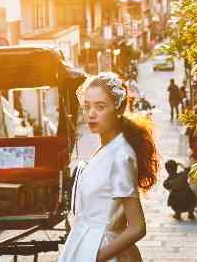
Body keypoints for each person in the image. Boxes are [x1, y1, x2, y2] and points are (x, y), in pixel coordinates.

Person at [58, 72, 159, 262]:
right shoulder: (105, 148)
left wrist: (95, 257)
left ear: (118, 108)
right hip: (83, 246)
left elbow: (137, 227)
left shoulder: (121, 155)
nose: (91, 114)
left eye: (100, 107)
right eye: (87, 107)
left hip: (103, 251)